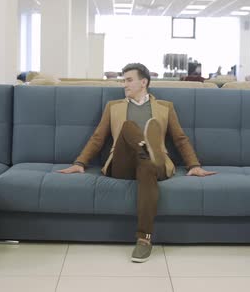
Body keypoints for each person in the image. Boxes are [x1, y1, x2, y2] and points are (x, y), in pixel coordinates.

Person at [58, 63, 216, 262]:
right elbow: (98, 138)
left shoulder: (165, 107)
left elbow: (180, 138)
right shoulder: (114, 107)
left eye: (129, 80)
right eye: (123, 80)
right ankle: (146, 148)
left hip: (151, 166)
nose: (125, 84)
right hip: (122, 163)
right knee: (128, 127)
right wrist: (80, 162)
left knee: (148, 165)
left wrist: (194, 166)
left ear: (144, 82)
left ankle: (144, 240)